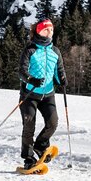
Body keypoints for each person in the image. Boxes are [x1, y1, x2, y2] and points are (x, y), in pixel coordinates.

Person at [19, 18, 66, 170]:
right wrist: (31, 80)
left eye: (51, 30)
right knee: (29, 125)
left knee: (53, 123)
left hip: (48, 95)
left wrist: (63, 79)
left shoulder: (55, 51)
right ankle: (28, 157)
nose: (50, 32)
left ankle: (40, 146)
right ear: (39, 31)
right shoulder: (30, 50)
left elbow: (59, 71)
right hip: (29, 95)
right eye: (46, 29)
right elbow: (22, 72)